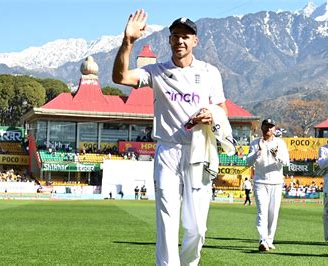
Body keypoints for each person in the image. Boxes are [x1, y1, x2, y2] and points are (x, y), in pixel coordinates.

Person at [112, 10, 229, 265]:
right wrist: (128, 42)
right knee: (167, 219)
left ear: (195, 41)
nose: (180, 41)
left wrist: (211, 115)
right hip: (168, 150)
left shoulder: (210, 72)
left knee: (197, 229)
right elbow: (120, 77)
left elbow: (222, 109)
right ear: (169, 40)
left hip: (199, 151)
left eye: (186, 37)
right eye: (175, 36)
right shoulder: (157, 71)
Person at [246, 118, 289, 252]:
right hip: (260, 182)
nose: (268, 129)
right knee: (262, 212)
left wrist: (277, 156)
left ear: (274, 129)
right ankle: (263, 239)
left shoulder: (280, 143)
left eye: (271, 127)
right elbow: (248, 162)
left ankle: (269, 239)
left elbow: (286, 162)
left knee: (273, 213)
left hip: (276, 182)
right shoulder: (255, 143)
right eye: (266, 126)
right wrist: (257, 154)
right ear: (262, 128)